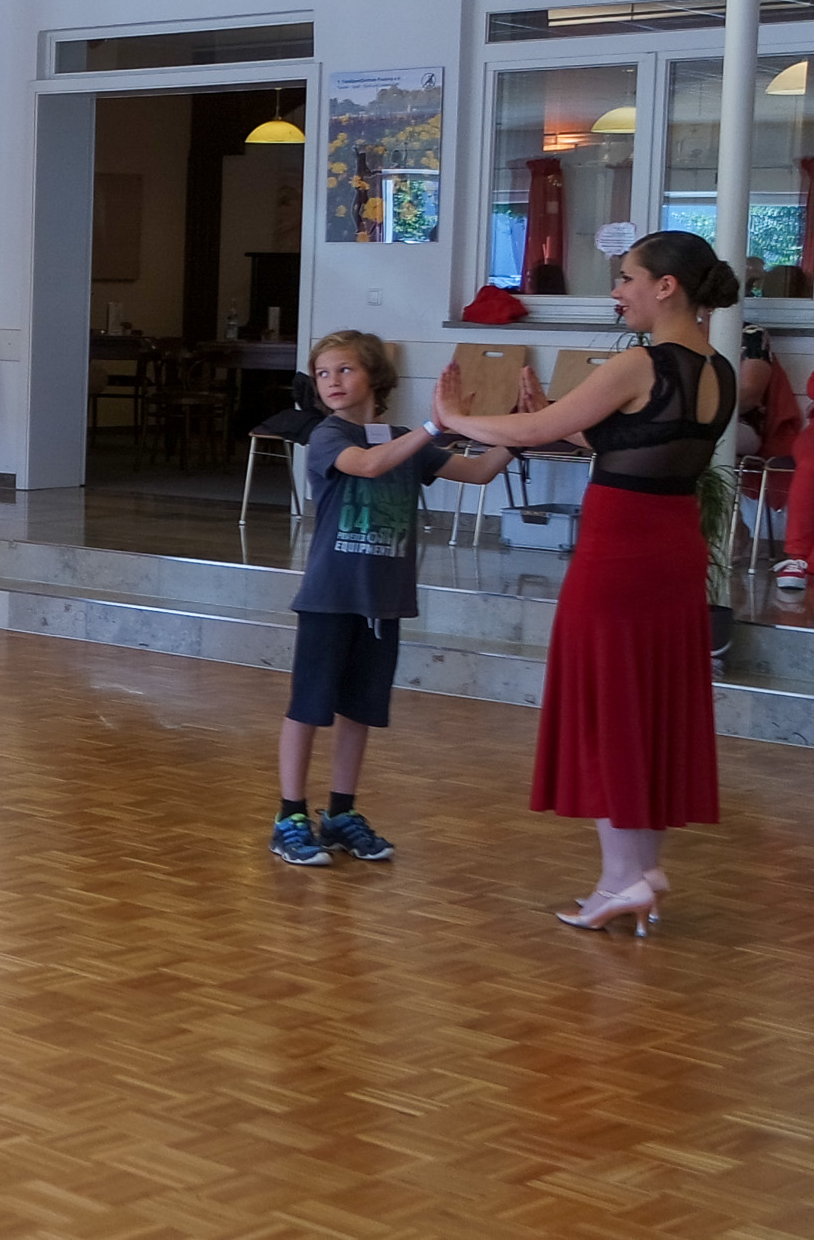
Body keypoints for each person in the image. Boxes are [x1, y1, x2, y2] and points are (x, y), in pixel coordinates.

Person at [436, 230, 740, 935]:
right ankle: (640, 872)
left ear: (665, 286)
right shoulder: (719, 368)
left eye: (627, 278)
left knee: (608, 706)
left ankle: (620, 879)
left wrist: (452, 417)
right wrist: (558, 416)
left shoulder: (641, 363)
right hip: (673, 549)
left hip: (619, 553)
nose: (617, 291)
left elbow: (538, 429)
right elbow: (632, 440)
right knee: (650, 706)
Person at [264, 330, 510, 867]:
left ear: (374, 376)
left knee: (359, 711)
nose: (331, 381)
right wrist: (433, 427)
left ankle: (341, 814)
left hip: (383, 601)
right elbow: (370, 464)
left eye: (344, 370)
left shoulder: (403, 439)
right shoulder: (328, 435)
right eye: (322, 373)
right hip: (331, 597)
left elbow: (479, 470)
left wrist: (521, 430)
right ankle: (289, 818)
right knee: (308, 708)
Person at [731, 324, 810, 593]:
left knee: (697, 436)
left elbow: (750, 394)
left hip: (740, 423)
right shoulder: (673, 335)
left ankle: (796, 554)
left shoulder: (751, 335)